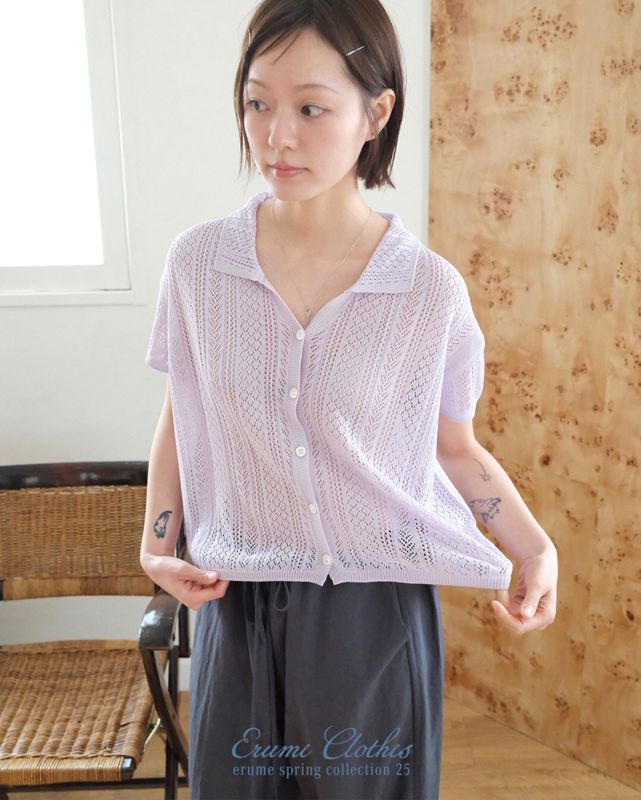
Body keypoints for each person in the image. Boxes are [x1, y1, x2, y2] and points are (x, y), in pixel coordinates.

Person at [140, 1, 559, 798]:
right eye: (256, 102)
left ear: (375, 112)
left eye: (310, 108)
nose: (275, 136)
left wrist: (534, 548)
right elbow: (183, 411)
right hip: (237, 598)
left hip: (373, 617)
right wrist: (156, 542)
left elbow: (452, 445)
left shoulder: (427, 290)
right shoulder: (198, 266)